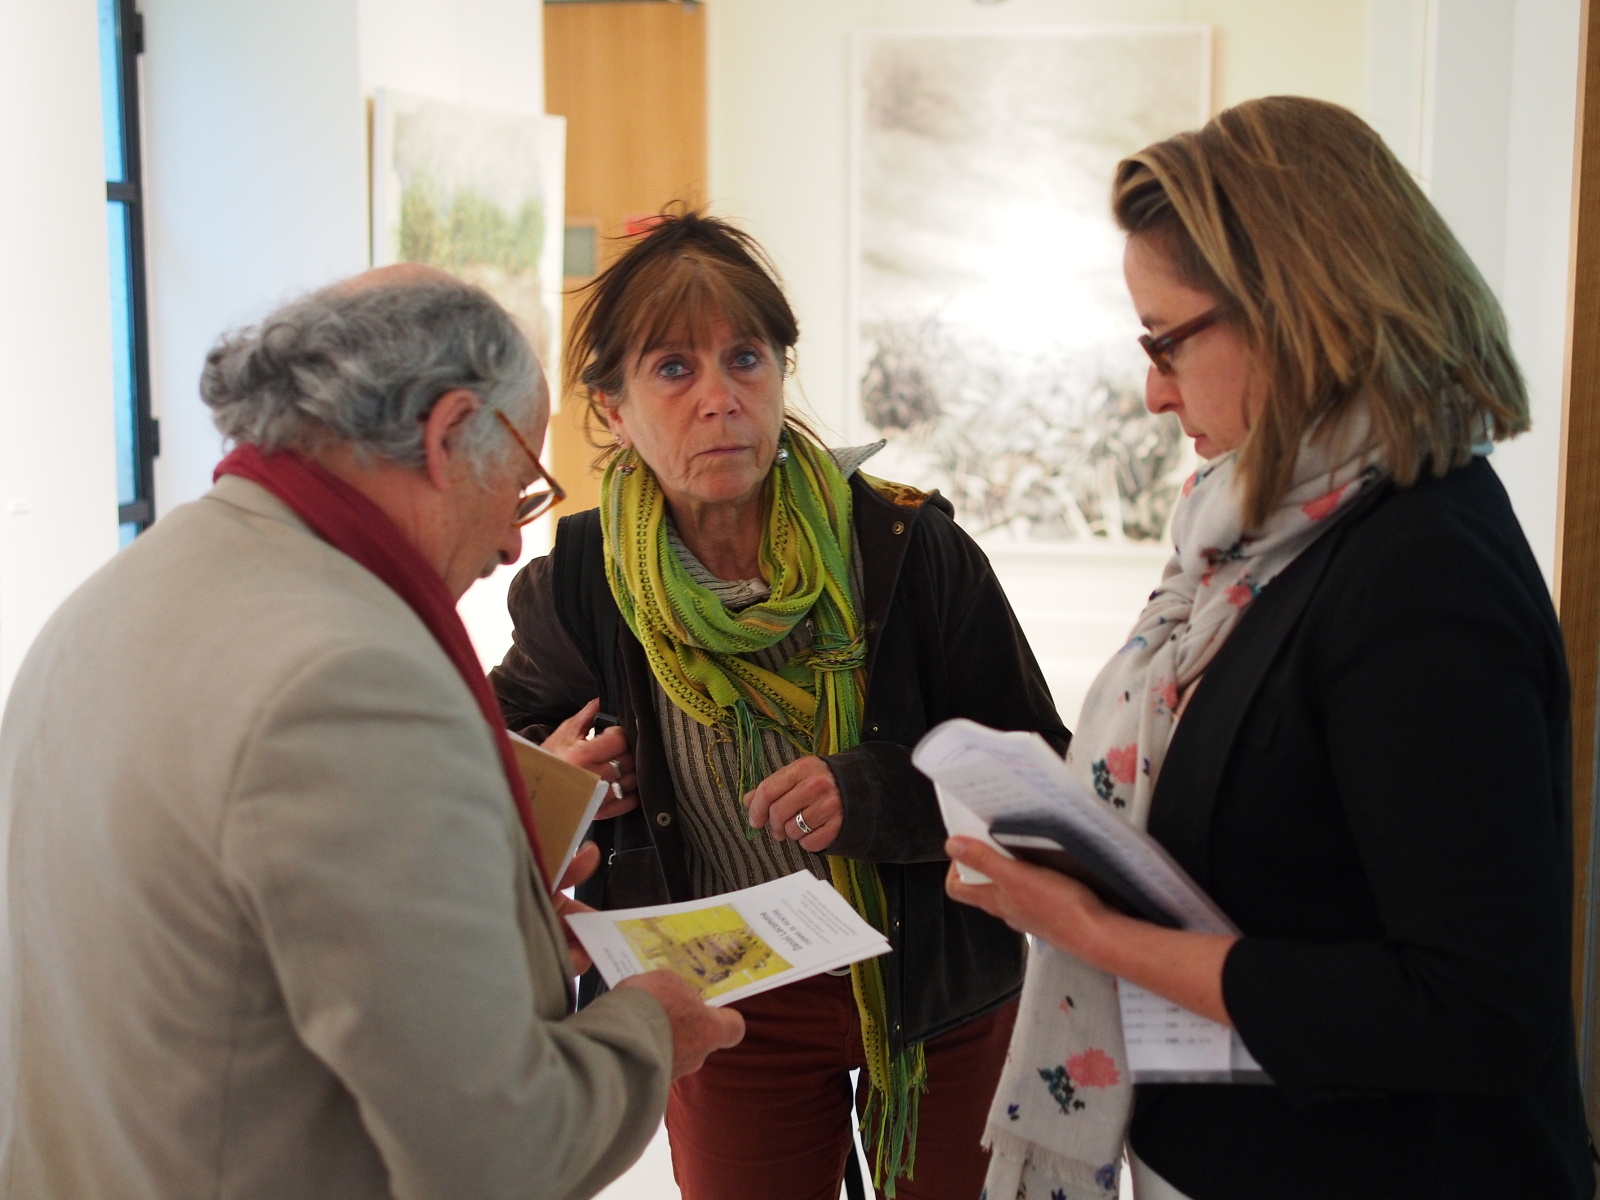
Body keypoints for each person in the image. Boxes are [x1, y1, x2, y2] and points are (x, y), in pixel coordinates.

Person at [944, 95, 1594, 1200]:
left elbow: (1475, 1011)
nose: (1153, 391)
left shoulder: (1418, 570)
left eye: (1165, 341)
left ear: (1293, 308)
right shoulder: (1260, 542)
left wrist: (1095, 931)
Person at [0, 266, 743, 1200]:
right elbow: (496, 1152)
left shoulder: (115, 595)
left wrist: (497, 940)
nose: (512, 544)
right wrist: (647, 1030)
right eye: (520, 489)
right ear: (447, 435)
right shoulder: (352, 678)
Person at [490, 211, 1070, 1200]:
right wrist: (563, 777)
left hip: (930, 982)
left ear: (780, 371)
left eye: (746, 358)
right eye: (674, 368)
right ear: (613, 408)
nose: (720, 398)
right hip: (721, 993)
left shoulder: (907, 548)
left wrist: (876, 793)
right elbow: (494, 752)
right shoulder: (582, 580)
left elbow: (1038, 769)